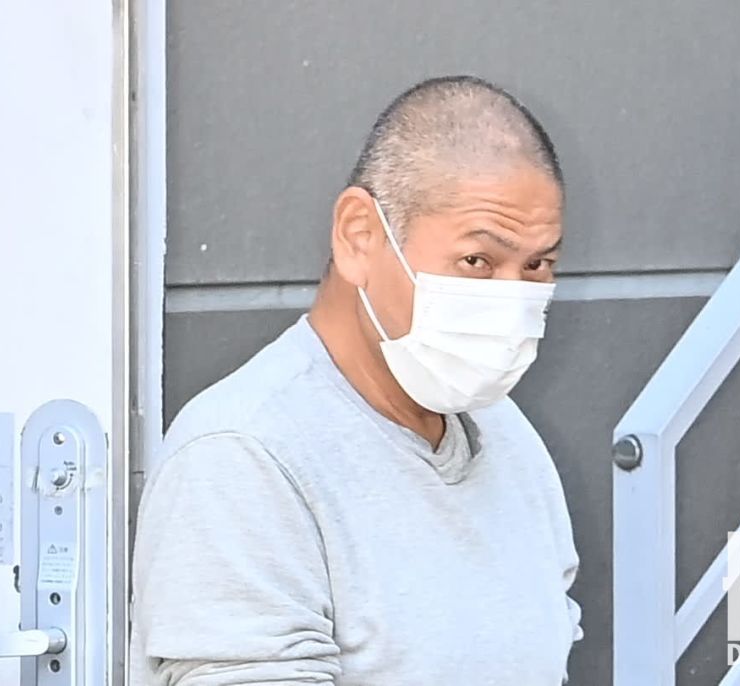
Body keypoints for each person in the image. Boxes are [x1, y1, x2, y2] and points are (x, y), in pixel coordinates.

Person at [129, 74, 583, 686]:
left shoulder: (505, 434)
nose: (512, 299)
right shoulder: (243, 458)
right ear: (359, 236)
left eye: (537, 265)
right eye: (477, 260)